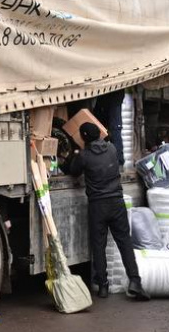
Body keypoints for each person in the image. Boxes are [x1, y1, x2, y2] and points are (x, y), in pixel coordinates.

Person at [62, 123, 150, 301]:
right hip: (117, 202)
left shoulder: (84, 156)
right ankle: (135, 281)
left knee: (98, 245)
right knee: (125, 242)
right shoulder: (111, 148)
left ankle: (102, 285)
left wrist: (72, 156)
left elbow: (73, 171)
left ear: (84, 137)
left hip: (98, 205)